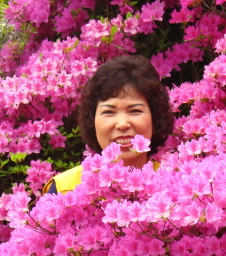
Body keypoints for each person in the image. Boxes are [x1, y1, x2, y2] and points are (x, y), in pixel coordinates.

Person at [45, 54, 174, 194]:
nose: (122, 124)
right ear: (93, 122)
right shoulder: (64, 188)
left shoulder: (174, 184)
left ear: (155, 121)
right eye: (109, 112)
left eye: (135, 110)